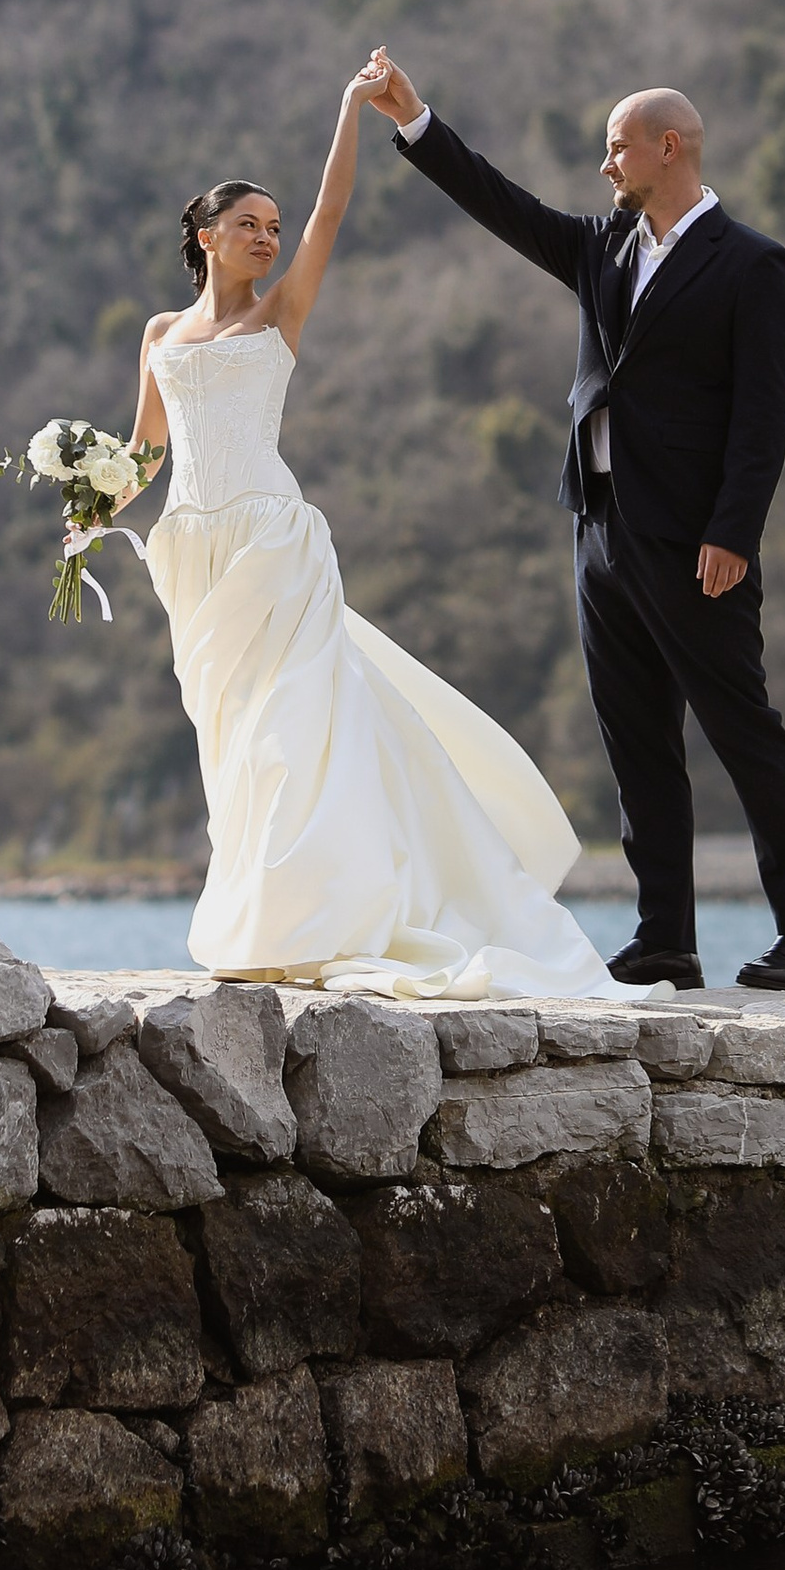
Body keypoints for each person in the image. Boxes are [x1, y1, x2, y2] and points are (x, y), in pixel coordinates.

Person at [113, 51, 631, 1002]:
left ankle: (319, 919)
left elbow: (330, 217)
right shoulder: (158, 335)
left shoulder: (281, 317)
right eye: (247, 226)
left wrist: (352, 111)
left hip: (273, 544)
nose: (267, 239)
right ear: (204, 234)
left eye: (272, 227)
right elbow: (145, 454)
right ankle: (266, 919)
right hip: (194, 551)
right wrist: (88, 511)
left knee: (290, 733)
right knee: (230, 744)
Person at [363, 55, 785, 995]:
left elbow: (763, 415)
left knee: (744, 730)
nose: (604, 165)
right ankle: (666, 938)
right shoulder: (601, 248)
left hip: (697, 540)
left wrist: (733, 534)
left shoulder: (754, 264)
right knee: (636, 741)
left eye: (617, 148)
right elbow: (503, 206)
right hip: (601, 528)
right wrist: (416, 120)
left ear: (669, 149)